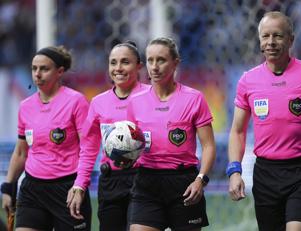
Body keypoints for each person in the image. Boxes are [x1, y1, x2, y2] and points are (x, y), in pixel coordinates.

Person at [227, 11, 301, 231]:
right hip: (265, 174)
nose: (271, 42)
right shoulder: (248, 81)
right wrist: (234, 171)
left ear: (290, 40)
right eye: (265, 36)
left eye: (277, 36)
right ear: (259, 40)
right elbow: (237, 131)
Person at [126, 37, 216, 231]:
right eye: (150, 60)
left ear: (175, 63)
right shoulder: (135, 101)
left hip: (184, 183)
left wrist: (200, 179)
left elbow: (208, 145)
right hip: (146, 183)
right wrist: (124, 156)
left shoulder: (194, 99)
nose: (154, 66)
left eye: (161, 60)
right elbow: (131, 144)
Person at [0, 45, 92, 230]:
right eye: (34, 69)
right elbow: (20, 152)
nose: (37, 74)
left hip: (67, 189)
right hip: (32, 189)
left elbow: (88, 149)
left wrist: (79, 186)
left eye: (44, 69)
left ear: (59, 72)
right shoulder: (26, 106)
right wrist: (9, 187)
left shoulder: (76, 101)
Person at [67, 41, 149, 231]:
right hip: (111, 182)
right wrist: (79, 185)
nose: (118, 68)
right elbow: (88, 149)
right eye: (113, 63)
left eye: (125, 62)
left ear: (139, 66)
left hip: (145, 180)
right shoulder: (98, 103)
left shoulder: (151, 96)